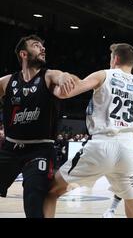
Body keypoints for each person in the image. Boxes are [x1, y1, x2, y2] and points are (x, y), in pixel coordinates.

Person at [43, 43, 133, 218]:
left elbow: (66, 93)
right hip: (128, 150)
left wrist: (50, 84)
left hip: (101, 145)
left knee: (51, 191)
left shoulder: (104, 74)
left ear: (115, 59)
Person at [0, 35, 76, 218]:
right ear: (23, 54)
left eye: (43, 46)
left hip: (40, 150)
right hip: (10, 148)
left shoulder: (48, 76)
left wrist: (66, 76)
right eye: (36, 46)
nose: (42, 48)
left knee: (34, 199)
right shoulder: (7, 82)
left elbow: (61, 76)